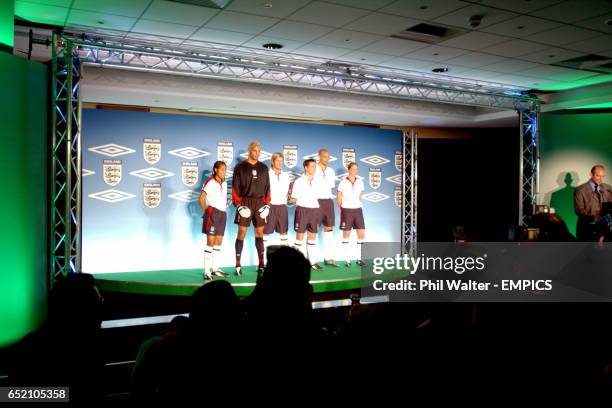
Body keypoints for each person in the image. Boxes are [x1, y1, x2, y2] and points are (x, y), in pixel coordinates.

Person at [232, 141, 271, 275]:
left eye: (259, 151)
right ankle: (237, 265)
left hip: (260, 202)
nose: (258, 153)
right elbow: (235, 189)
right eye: (255, 150)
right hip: (245, 201)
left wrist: (267, 205)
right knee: (242, 232)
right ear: (249, 151)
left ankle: (261, 263)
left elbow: (267, 187)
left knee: (259, 233)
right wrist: (238, 205)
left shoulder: (264, 168)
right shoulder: (240, 167)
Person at [198, 161, 230, 281]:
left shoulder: (225, 183)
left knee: (218, 242)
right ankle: (206, 271)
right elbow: (201, 198)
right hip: (212, 212)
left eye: (225, 170)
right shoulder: (210, 182)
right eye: (221, 169)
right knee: (210, 242)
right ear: (216, 170)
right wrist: (205, 212)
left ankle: (215, 269)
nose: (223, 172)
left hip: (222, 214)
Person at [291, 159, 323, 270]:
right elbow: (293, 198)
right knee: (299, 236)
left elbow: (318, 196)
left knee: (312, 236)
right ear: (306, 167)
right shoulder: (299, 181)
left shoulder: (318, 181)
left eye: (315, 166)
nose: (314, 169)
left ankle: (312, 262)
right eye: (312, 166)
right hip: (302, 210)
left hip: (314, 210)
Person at [337, 162, 366, 267]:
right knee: (346, 235)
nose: (355, 171)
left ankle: (359, 259)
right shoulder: (343, 183)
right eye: (353, 169)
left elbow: (360, 195)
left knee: (361, 234)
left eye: (356, 169)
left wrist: (355, 203)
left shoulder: (360, 182)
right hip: (347, 210)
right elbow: (339, 198)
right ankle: (347, 260)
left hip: (358, 209)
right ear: (349, 170)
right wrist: (344, 208)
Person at [263, 152, 291, 261]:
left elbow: (287, 193)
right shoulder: (267, 174)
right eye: (277, 160)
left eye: (281, 161)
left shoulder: (286, 176)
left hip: (282, 207)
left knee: (284, 233)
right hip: (270, 207)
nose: (279, 163)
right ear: (272, 161)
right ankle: (263, 262)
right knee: (265, 233)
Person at [314, 148, 339, 267]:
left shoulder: (331, 171)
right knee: (313, 229)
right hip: (316, 201)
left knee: (329, 228)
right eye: (324, 156)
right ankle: (312, 260)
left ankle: (328, 258)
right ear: (319, 156)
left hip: (328, 201)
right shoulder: (313, 169)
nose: (327, 159)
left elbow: (330, 186)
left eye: (328, 157)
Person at [574, 164, 612, 241]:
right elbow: (579, 210)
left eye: (602, 176)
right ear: (591, 174)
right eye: (598, 176)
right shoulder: (580, 190)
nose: (601, 179)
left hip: (605, 230)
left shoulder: (608, 188)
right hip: (587, 228)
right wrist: (595, 217)